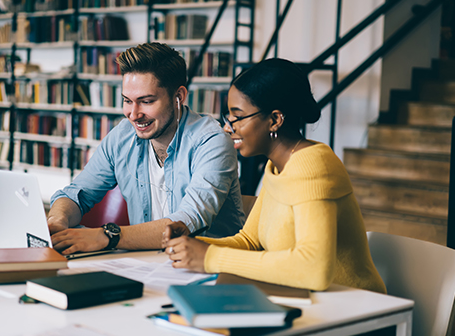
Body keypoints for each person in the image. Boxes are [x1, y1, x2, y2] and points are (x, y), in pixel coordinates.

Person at [163, 58, 386, 294]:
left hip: (357, 308)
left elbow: (315, 269)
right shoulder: (278, 165)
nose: (228, 127)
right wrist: (192, 243)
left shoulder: (314, 165)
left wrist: (210, 257)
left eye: (237, 116)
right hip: (307, 301)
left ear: (275, 120)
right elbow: (249, 242)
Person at [47, 42, 245, 255]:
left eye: (146, 101)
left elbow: (187, 221)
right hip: (144, 263)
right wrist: (58, 220)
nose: (133, 114)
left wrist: (108, 236)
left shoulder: (212, 141)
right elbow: (77, 194)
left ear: (178, 96)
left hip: (207, 270)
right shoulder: (122, 137)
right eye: (127, 101)